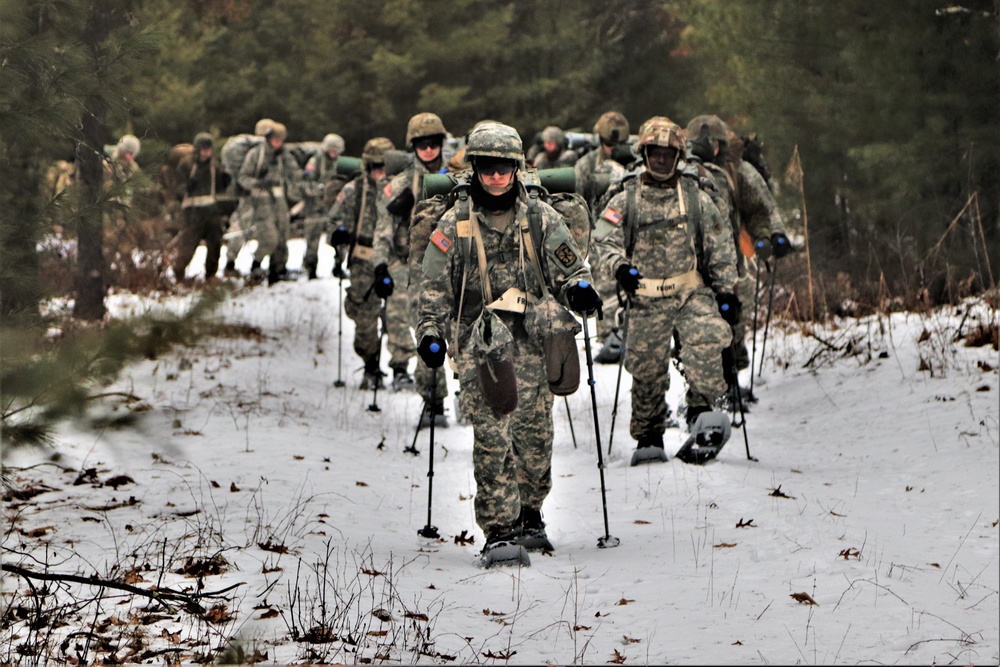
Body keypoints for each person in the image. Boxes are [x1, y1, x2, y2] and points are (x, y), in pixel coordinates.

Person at [415, 122, 596, 564]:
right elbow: (433, 286)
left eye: (505, 168)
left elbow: (568, 268)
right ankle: (499, 528)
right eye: (488, 168)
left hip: (533, 338)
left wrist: (579, 290)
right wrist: (431, 334)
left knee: (534, 437)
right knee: (493, 437)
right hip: (482, 343)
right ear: (475, 168)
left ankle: (531, 512)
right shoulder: (455, 222)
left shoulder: (540, 216)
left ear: (517, 169)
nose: (497, 177)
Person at [592, 116, 738, 462]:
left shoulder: (695, 196)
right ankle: (648, 434)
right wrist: (620, 267)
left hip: (690, 291)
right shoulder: (626, 197)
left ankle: (703, 413)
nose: (660, 159)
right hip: (645, 294)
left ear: (678, 155)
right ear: (644, 153)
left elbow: (720, 244)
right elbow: (602, 240)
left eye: (667, 153)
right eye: (654, 153)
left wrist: (727, 291)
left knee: (708, 342)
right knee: (645, 368)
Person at [685, 114, 791, 400]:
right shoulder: (680, 171)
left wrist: (771, 236)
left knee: (733, 321)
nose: (710, 150)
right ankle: (700, 390)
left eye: (714, 144)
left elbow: (761, 206)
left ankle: (729, 380)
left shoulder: (737, 170)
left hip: (732, 260)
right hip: (687, 265)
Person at [374, 113, 449, 407]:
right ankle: (433, 398)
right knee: (427, 330)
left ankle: (473, 399)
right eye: (421, 144)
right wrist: (380, 266)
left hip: (459, 263)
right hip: (417, 268)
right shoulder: (402, 182)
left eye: (433, 143)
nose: (428, 149)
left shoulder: (460, 176)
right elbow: (383, 230)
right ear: (413, 147)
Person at [328, 137, 396, 390]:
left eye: (385, 167)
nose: (381, 173)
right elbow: (333, 220)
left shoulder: (399, 189)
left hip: (393, 259)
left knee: (396, 316)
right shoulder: (353, 190)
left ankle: (400, 366)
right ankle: (370, 364)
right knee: (365, 318)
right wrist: (339, 234)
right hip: (362, 259)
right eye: (376, 167)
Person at [574, 111, 632, 364]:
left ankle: (627, 334)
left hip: (629, 229)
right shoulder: (587, 164)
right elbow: (575, 199)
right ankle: (608, 336)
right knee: (605, 283)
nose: (611, 150)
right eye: (608, 145)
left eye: (616, 146)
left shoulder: (634, 161)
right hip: (599, 230)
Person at [236, 121, 301, 285]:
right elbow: (243, 177)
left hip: (280, 200)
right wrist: (258, 183)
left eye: (280, 139)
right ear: (268, 138)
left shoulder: (284, 156)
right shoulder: (256, 154)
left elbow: (295, 173)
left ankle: (278, 270)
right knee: (269, 237)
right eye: (275, 139)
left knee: (283, 235)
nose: (278, 142)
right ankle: (256, 265)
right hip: (262, 200)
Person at [170, 133, 231, 283]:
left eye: (208, 149)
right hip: (192, 211)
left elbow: (220, 190)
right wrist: (187, 187)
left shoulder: (214, 166)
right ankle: (179, 273)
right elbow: (176, 188)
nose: (206, 152)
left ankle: (211, 274)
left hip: (211, 210)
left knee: (215, 243)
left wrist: (225, 182)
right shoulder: (186, 164)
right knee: (189, 243)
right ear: (197, 149)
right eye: (203, 149)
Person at [299, 133, 347, 279]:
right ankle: (310, 267)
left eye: (337, 151)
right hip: (316, 206)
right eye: (332, 150)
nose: (334, 153)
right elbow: (305, 183)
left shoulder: (341, 163)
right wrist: (320, 189)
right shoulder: (316, 161)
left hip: (335, 206)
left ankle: (338, 266)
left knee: (340, 236)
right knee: (312, 237)